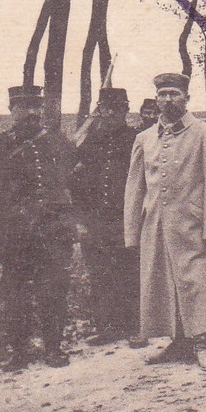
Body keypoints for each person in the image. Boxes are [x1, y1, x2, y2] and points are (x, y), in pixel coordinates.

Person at [126, 72, 206, 372]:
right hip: (158, 228)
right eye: (162, 94)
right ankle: (178, 341)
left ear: (187, 98)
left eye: (174, 93)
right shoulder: (145, 139)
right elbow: (135, 188)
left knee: (198, 283)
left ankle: (203, 344)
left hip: (195, 226)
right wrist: (133, 232)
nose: (167, 100)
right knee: (165, 282)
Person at [0, 85, 76, 369]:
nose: (32, 113)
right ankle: (19, 349)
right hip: (14, 234)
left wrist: (73, 221)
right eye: (24, 108)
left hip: (52, 232)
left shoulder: (58, 142)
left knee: (54, 289)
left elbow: (77, 185)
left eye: (37, 107)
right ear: (12, 111)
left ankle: (53, 347)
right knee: (14, 292)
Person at [72, 86, 140, 346]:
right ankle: (107, 327)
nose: (110, 113)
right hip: (97, 219)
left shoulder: (136, 139)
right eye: (105, 109)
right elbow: (76, 178)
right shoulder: (90, 141)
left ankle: (136, 326)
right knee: (100, 272)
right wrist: (82, 217)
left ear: (125, 110)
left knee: (130, 270)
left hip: (127, 217)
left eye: (116, 109)